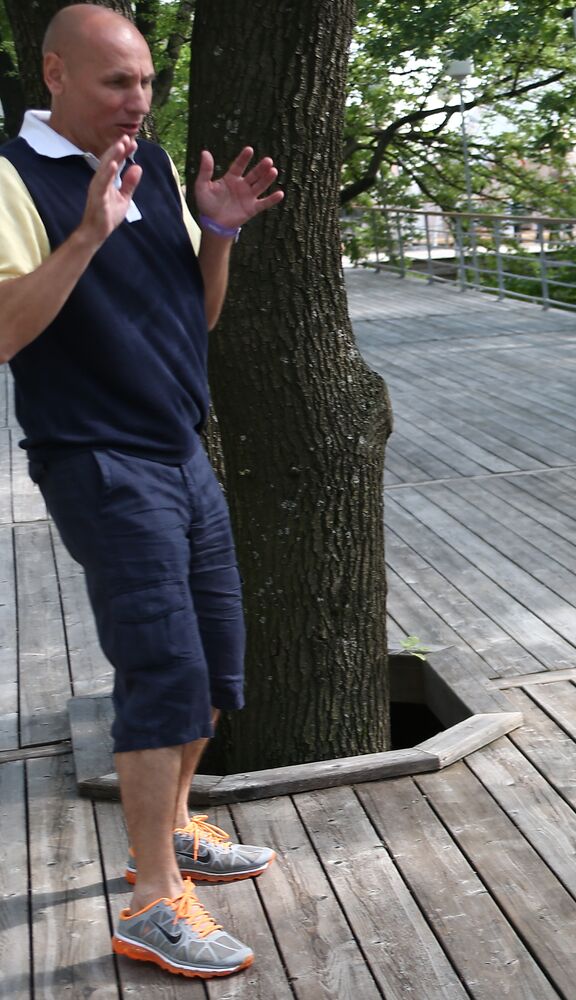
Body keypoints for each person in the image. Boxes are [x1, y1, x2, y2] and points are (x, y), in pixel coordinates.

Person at [0, 5, 283, 979]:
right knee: (164, 667)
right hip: (98, 458)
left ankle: (168, 826)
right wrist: (82, 235)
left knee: (211, 662)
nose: (139, 101)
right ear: (54, 73)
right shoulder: (10, 179)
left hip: (180, 450)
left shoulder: (155, 166)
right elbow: (2, 332)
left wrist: (217, 233)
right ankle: (153, 900)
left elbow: (193, 316)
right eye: (118, 82)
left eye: (148, 82)